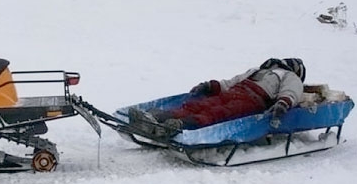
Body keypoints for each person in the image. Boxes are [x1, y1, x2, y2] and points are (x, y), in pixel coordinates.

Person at [129, 58, 306, 133]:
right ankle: (156, 118)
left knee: (219, 112)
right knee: (200, 105)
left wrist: (283, 103)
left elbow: (291, 91)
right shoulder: (257, 71)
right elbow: (231, 81)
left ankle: (179, 125)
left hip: (254, 100)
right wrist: (210, 86)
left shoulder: (290, 77)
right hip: (235, 91)